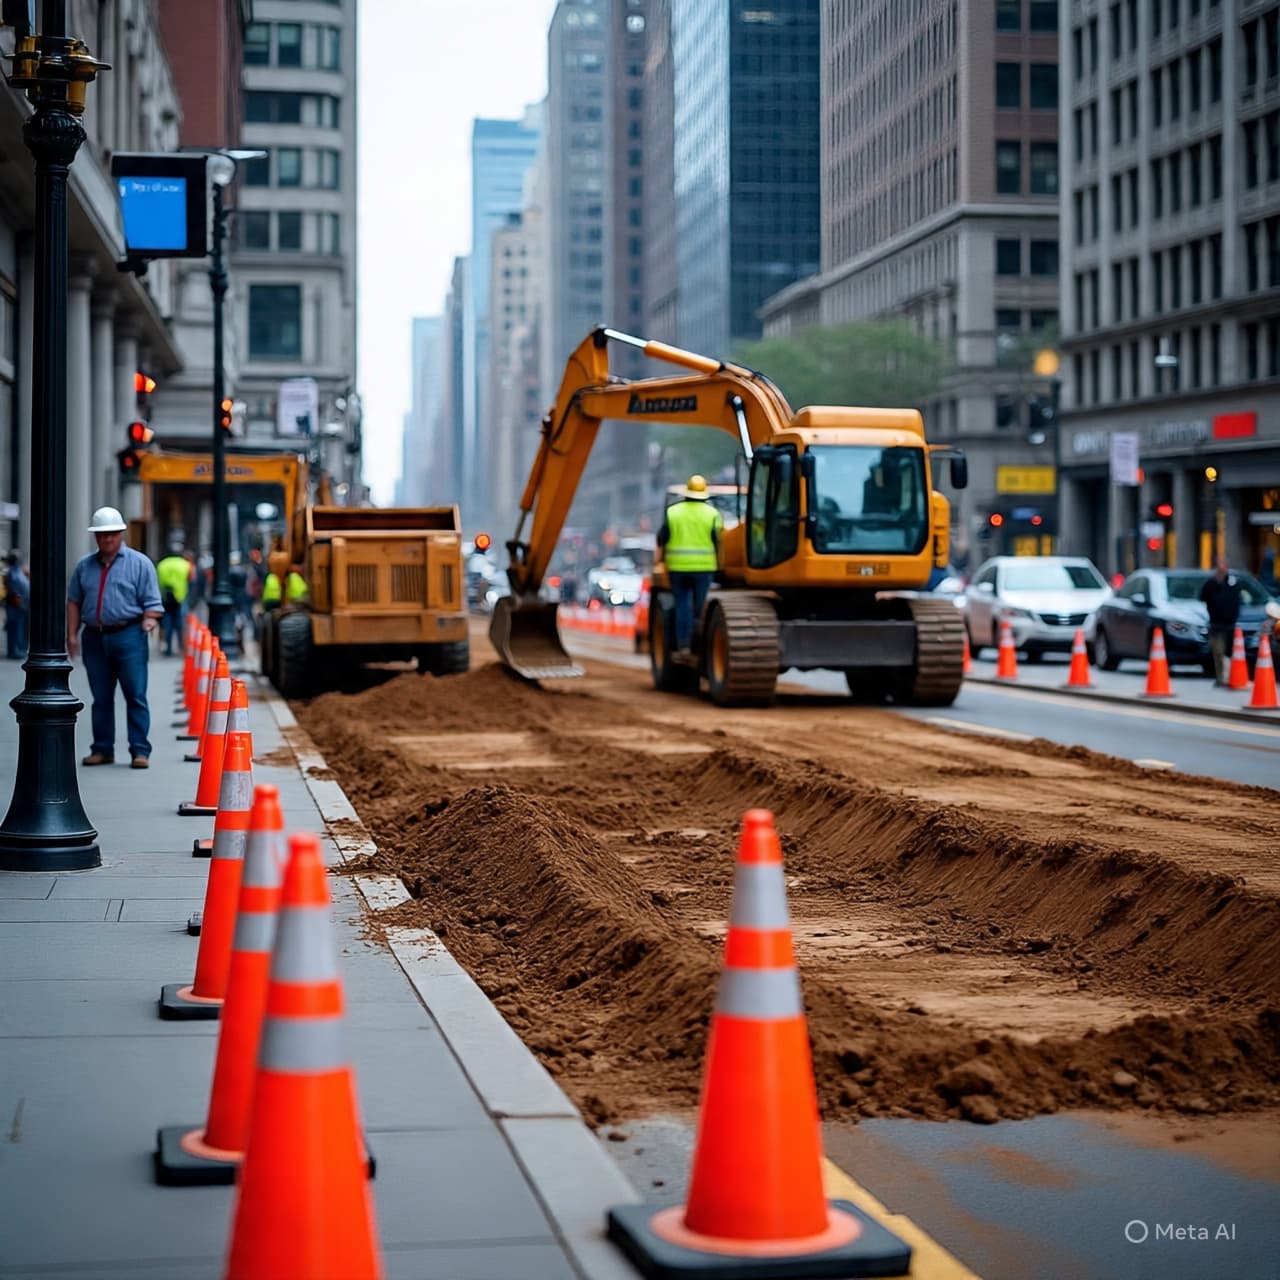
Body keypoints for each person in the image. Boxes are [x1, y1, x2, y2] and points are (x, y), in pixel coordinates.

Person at [66, 506, 163, 768]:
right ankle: (102, 749)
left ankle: (140, 751)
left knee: (135, 695)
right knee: (101, 697)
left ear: (121, 533)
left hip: (129, 635)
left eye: (111, 534)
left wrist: (149, 620)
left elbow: (153, 602)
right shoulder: (84, 567)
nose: (107, 539)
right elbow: (74, 601)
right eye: (101, 535)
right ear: (95, 537)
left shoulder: (140, 564)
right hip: (94, 638)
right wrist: (72, 636)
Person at [656, 474, 723, 656]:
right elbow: (718, 541)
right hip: (704, 568)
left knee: (682, 606)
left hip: (678, 568)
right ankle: (700, 647)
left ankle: (684, 645)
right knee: (701, 609)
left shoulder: (673, 512)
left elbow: (662, 538)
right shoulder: (713, 514)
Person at [1199, 554, 1243, 686]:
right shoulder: (1211, 584)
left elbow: (1237, 600)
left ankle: (1228, 676)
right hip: (1216, 623)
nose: (1221, 568)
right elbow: (1203, 598)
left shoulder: (1233, 583)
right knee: (1218, 651)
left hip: (1230, 623)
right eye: (1219, 565)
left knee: (1228, 652)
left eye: (1223, 565)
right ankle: (1221, 677)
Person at [155, 544, 189, 657]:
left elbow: (158, 582)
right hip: (180, 598)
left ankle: (168, 648)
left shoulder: (162, 565)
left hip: (165, 599)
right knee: (180, 625)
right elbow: (191, 580)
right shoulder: (185, 565)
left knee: (167, 624)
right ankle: (180, 647)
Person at [4, 550, 29, 659]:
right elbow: (13, 588)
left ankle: (18, 649)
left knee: (19, 628)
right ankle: (14, 650)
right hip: (15, 605)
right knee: (15, 628)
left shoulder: (19, 571)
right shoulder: (12, 572)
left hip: (21, 604)